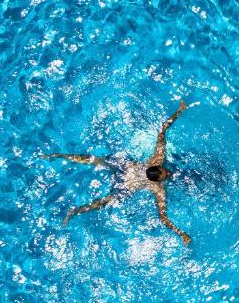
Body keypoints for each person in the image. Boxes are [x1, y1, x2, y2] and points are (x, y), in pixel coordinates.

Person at [42, 100, 192, 246]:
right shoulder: (157, 188)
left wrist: (179, 111)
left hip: (126, 170)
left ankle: (73, 208)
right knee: (99, 186)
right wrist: (181, 233)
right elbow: (162, 217)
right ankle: (59, 159)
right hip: (126, 182)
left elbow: (162, 131)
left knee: (97, 178)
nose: (169, 173)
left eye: (166, 171)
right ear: (156, 180)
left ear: (158, 166)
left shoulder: (157, 159)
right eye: (166, 174)